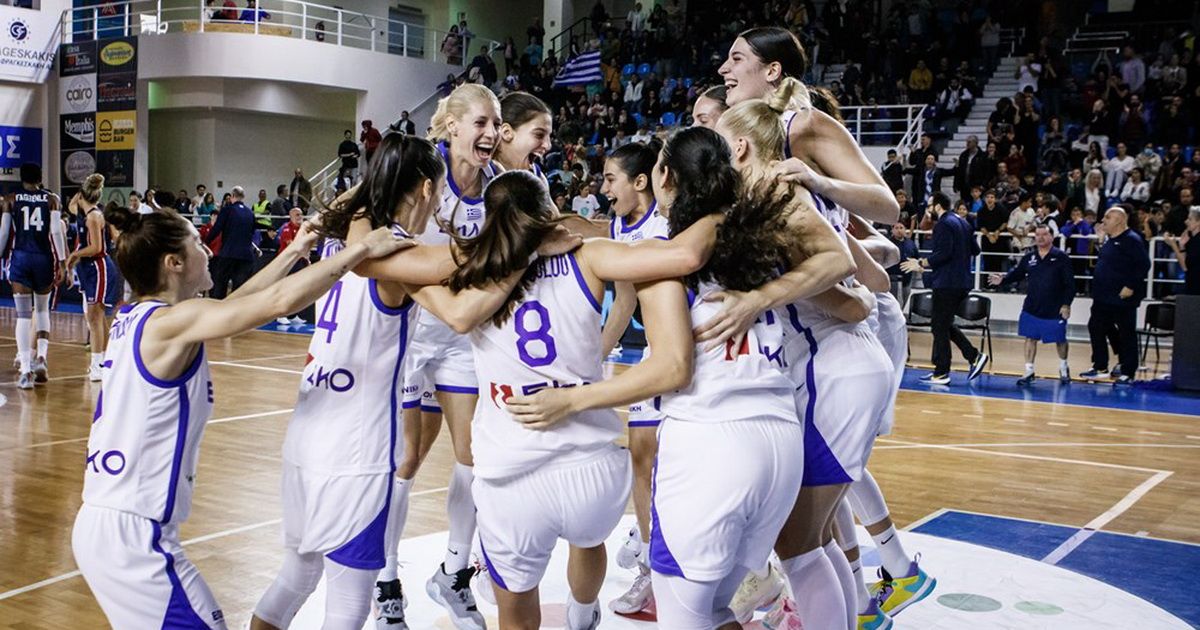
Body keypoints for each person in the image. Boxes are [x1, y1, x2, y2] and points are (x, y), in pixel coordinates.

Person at [71, 202, 407, 630]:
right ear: (174, 263)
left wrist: (294, 250)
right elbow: (277, 302)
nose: (207, 250)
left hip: (109, 522)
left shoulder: (139, 317)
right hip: (134, 536)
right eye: (197, 243)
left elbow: (236, 305)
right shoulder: (170, 324)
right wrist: (360, 250)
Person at [250, 134, 522, 630]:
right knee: (348, 608)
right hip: (357, 453)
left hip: (304, 437)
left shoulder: (345, 237)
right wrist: (524, 239)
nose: (439, 206)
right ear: (426, 189)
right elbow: (460, 307)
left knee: (294, 579)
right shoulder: (396, 254)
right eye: (437, 192)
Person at [593, 139, 670, 617]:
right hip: (658, 354)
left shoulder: (670, 220)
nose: (603, 189)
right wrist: (594, 357)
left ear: (640, 182)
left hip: (693, 353)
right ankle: (651, 564)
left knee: (675, 461)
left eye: (610, 179)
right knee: (641, 455)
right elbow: (623, 300)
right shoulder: (620, 225)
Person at [716, 26, 899, 224]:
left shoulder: (803, 124)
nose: (722, 69)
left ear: (772, 71)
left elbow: (888, 209)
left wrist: (818, 182)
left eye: (737, 59)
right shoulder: (733, 131)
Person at [901, 191, 989, 384]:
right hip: (962, 282)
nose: (928, 210)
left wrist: (921, 263)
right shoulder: (964, 223)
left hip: (947, 283)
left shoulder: (943, 224)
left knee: (939, 326)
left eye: (930, 206)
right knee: (942, 324)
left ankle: (943, 372)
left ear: (938, 206)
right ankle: (972, 357)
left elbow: (944, 253)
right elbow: (975, 250)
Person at [1, 163, 66, 388]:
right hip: (43, 259)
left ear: (22, 178)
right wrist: (63, 262)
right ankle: (42, 358)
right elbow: (56, 232)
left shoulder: (10, 199)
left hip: (20, 257)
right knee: (42, 310)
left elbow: (4, 232)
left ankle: (26, 371)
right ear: (40, 178)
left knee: (23, 316)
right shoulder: (52, 199)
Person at [988, 224, 1075, 385]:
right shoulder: (1030, 257)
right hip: (1032, 306)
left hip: (1055, 307)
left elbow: (1070, 285)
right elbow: (1017, 274)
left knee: (1060, 339)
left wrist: (1066, 304)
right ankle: (1029, 371)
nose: (1040, 238)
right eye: (1037, 235)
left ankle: (1063, 367)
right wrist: (1003, 279)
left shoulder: (1061, 257)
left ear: (1051, 237)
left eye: (1044, 234)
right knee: (1030, 337)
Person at [1080, 205, 1151, 383]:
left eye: (1107, 218)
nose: (1103, 221)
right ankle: (1100, 366)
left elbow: (1144, 264)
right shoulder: (1110, 240)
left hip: (1122, 297)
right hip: (1103, 296)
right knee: (1096, 326)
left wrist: (1130, 286)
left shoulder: (1131, 239)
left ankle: (1128, 371)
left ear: (1119, 220)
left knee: (1126, 332)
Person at [64, 174, 120, 381]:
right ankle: (106, 361)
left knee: (95, 318)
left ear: (81, 196)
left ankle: (98, 366)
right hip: (88, 269)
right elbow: (70, 205)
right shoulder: (82, 212)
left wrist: (74, 254)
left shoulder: (94, 216)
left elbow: (96, 247)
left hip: (99, 266)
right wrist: (85, 186)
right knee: (97, 318)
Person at [204, 186, 257, 299]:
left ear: (232, 196)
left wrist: (205, 243)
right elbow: (252, 232)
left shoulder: (227, 210)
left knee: (220, 285)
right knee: (239, 290)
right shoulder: (250, 213)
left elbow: (217, 229)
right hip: (246, 256)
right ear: (243, 197)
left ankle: (219, 308)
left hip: (228, 253)